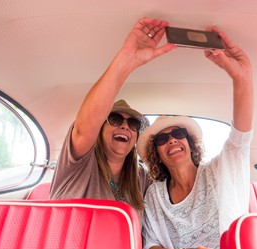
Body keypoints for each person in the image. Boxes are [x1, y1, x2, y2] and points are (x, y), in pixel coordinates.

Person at [136, 26, 254, 249]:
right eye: (162, 138)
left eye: (178, 133)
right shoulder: (155, 195)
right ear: (156, 153)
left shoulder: (217, 172)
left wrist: (242, 78)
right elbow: (149, 247)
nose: (171, 140)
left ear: (189, 143)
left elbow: (239, 139)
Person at [49, 17, 177, 222]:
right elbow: (83, 129)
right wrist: (126, 62)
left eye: (133, 124)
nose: (125, 126)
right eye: (115, 119)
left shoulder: (141, 178)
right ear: (99, 128)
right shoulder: (79, 164)